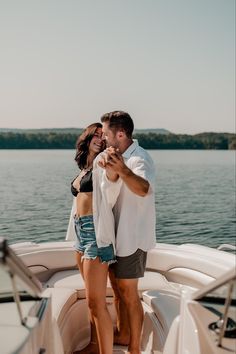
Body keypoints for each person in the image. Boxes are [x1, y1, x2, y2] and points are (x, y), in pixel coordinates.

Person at [98, 111, 156, 354]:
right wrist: (111, 173)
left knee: (130, 295)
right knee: (120, 291)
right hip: (116, 238)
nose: (103, 139)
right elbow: (108, 196)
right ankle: (123, 335)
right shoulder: (115, 157)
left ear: (120, 134)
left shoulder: (139, 159)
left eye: (106, 134)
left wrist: (122, 170)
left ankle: (134, 349)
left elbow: (143, 189)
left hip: (133, 239)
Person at [71, 122, 116, 354]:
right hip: (80, 232)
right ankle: (93, 345)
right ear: (87, 139)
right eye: (95, 135)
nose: (99, 138)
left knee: (96, 303)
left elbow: (113, 176)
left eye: (103, 135)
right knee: (91, 301)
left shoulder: (104, 162)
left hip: (95, 235)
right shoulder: (85, 167)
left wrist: (110, 150)